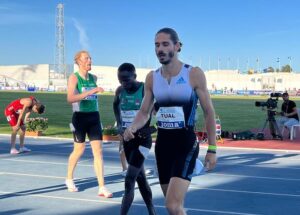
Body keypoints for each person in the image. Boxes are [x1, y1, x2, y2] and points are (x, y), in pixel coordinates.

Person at [123, 27, 217, 215]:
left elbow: (209, 112)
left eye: (165, 44)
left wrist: (212, 149)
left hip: (185, 143)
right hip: (163, 146)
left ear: (177, 46)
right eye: (157, 45)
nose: (160, 49)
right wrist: (132, 126)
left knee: (172, 205)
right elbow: (144, 111)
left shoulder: (193, 74)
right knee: (174, 206)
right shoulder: (152, 78)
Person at [65, 50, 112, 198]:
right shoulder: (74, 78)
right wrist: (92, 91)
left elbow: (92, 96)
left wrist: (93, 91)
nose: (90, 60)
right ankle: (69, 178)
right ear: (78, 61)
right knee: (79, 150)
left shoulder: (93, 77)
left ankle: (102, 187)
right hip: (79, 118)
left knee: (98, 152)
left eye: (90, 58)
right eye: (86, 58)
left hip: (94, 117)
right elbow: (70, 98)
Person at [113, 63, 156, 215]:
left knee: (129, 179)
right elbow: (115, 105)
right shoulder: (119, 91)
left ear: (135, 77)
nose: (124, 83)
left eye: (127, 80)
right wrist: (119, 125)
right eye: (121, 80)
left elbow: (158, 110)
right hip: (128, 140)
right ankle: (152, 211)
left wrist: (151, 128)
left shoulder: (145, 90)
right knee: (141, 179)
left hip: (143, 141)